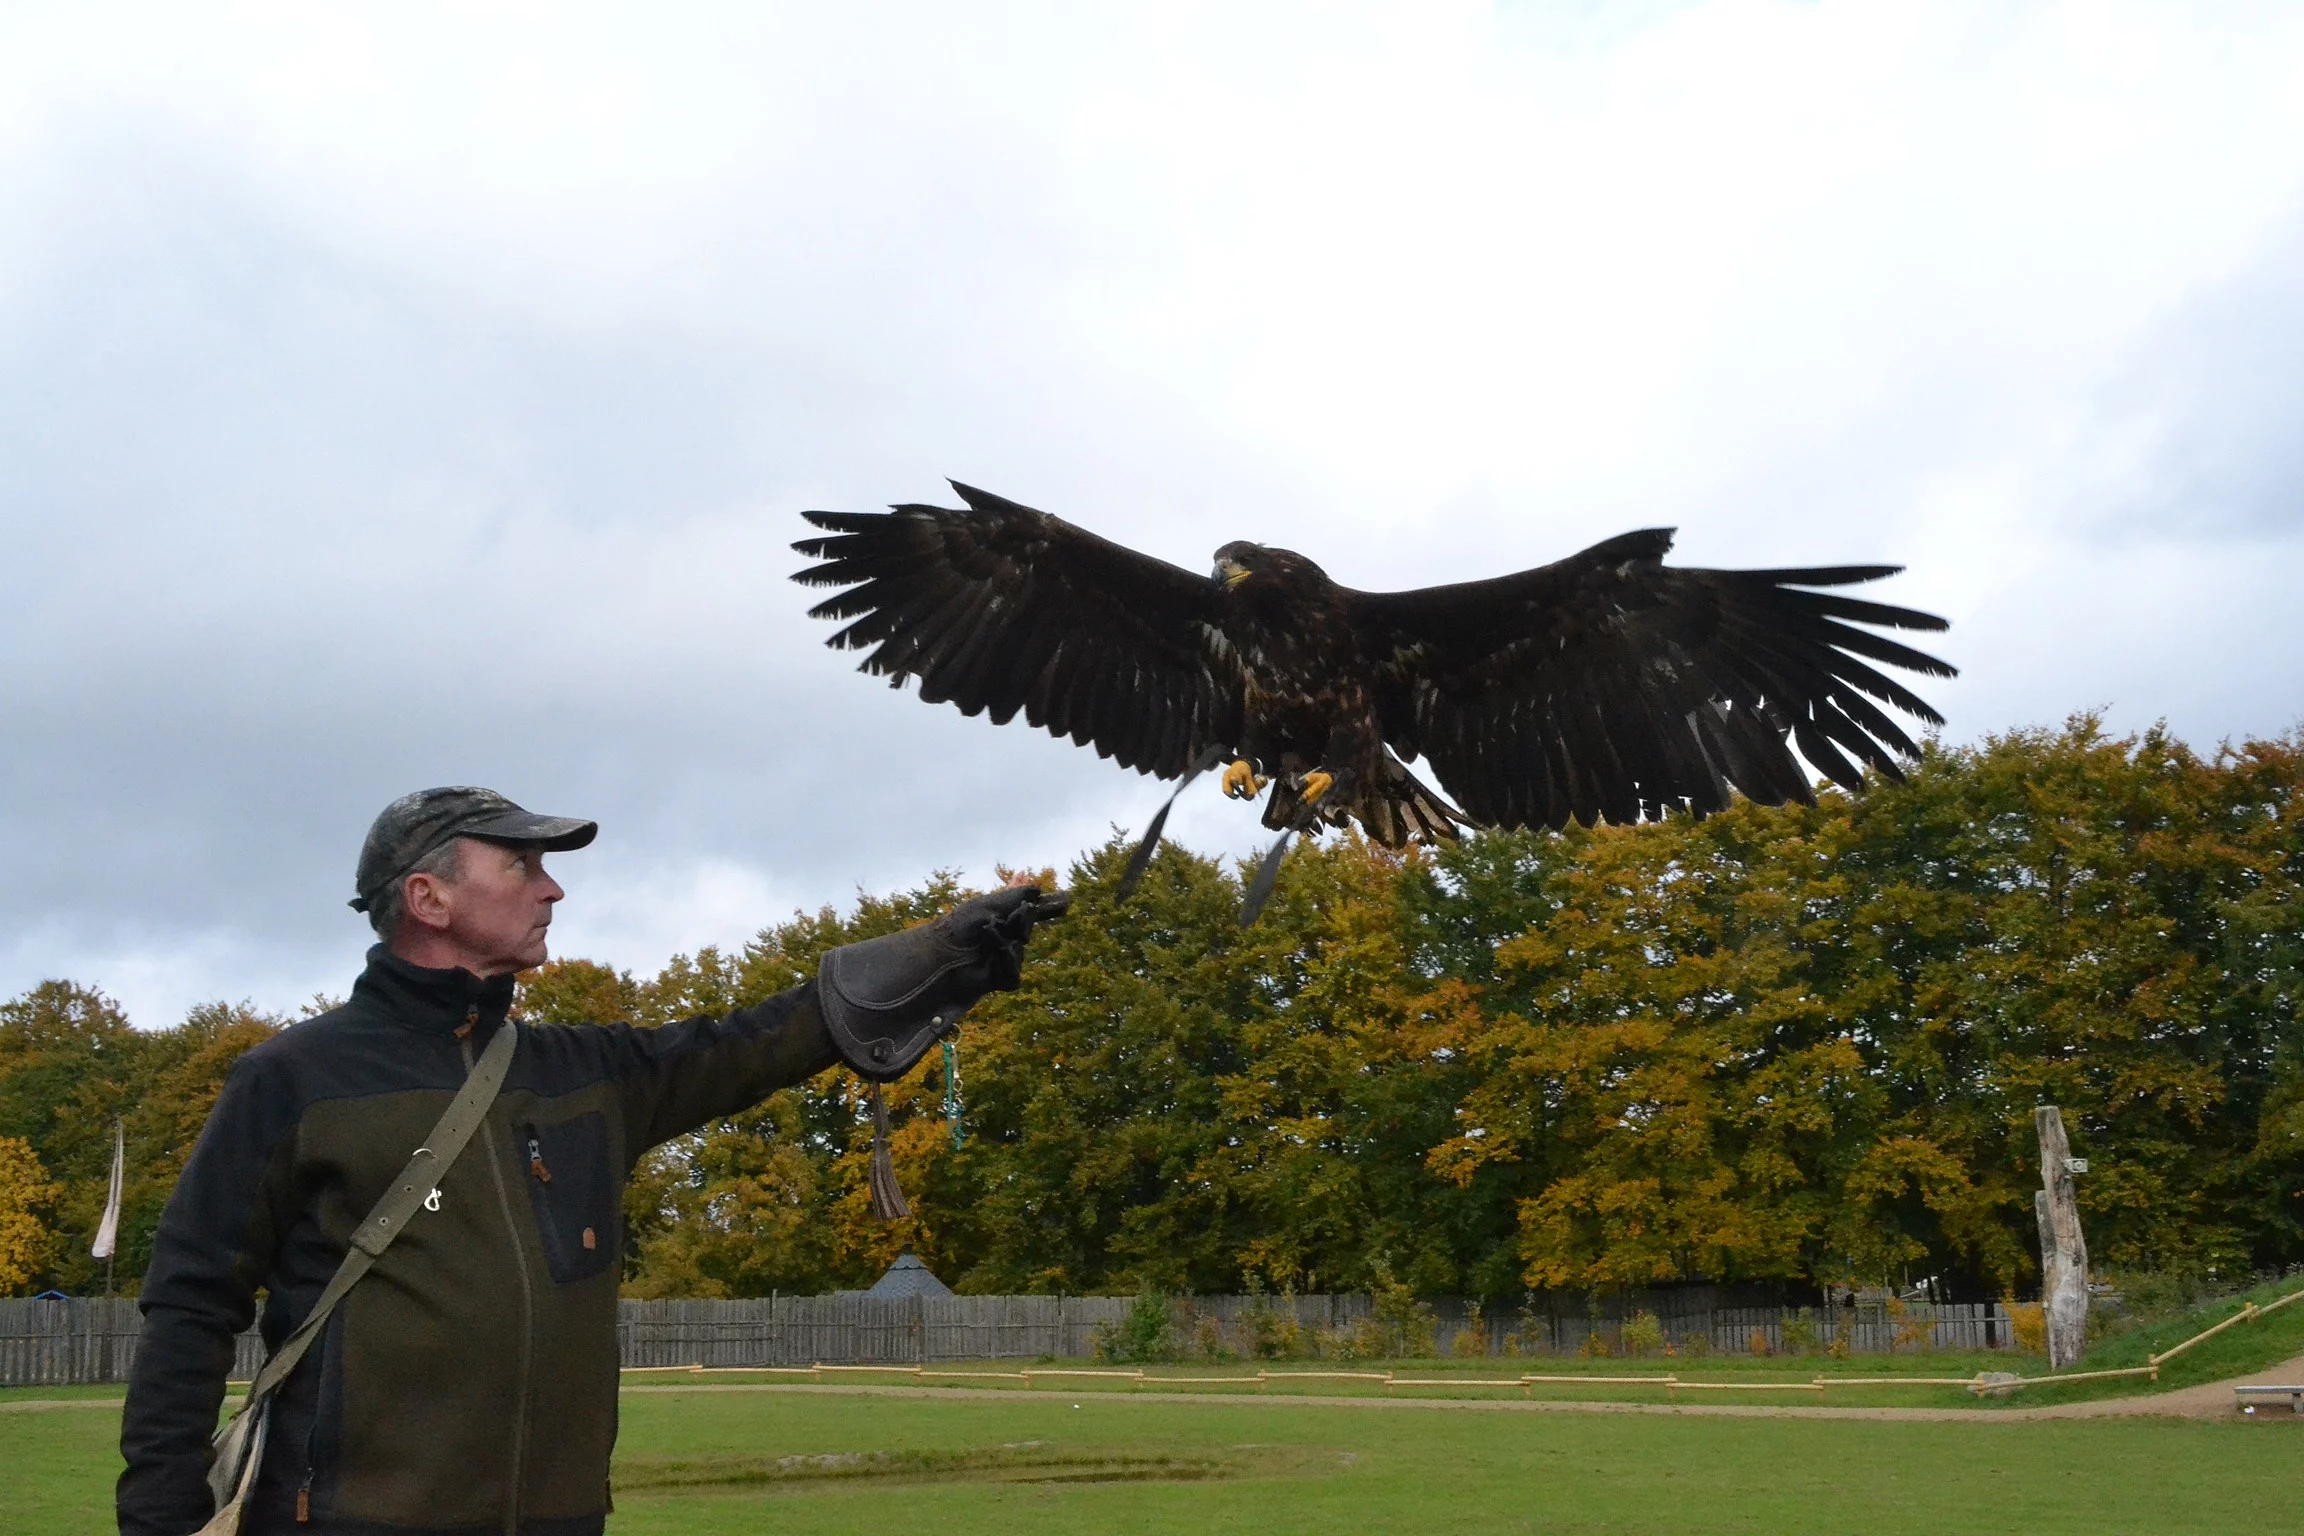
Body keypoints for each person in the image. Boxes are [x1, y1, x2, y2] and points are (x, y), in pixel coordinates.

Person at [117, 787, 1065, 1535]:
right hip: (354, 1520)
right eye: (521, 863)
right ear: (427, 896)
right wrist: (161, 1519)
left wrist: (947, 952)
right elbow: (192, 1302)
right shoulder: (293, 1080)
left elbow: (757, 1040)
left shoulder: (583, 1074)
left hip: (558, 1521)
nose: (553, 887)